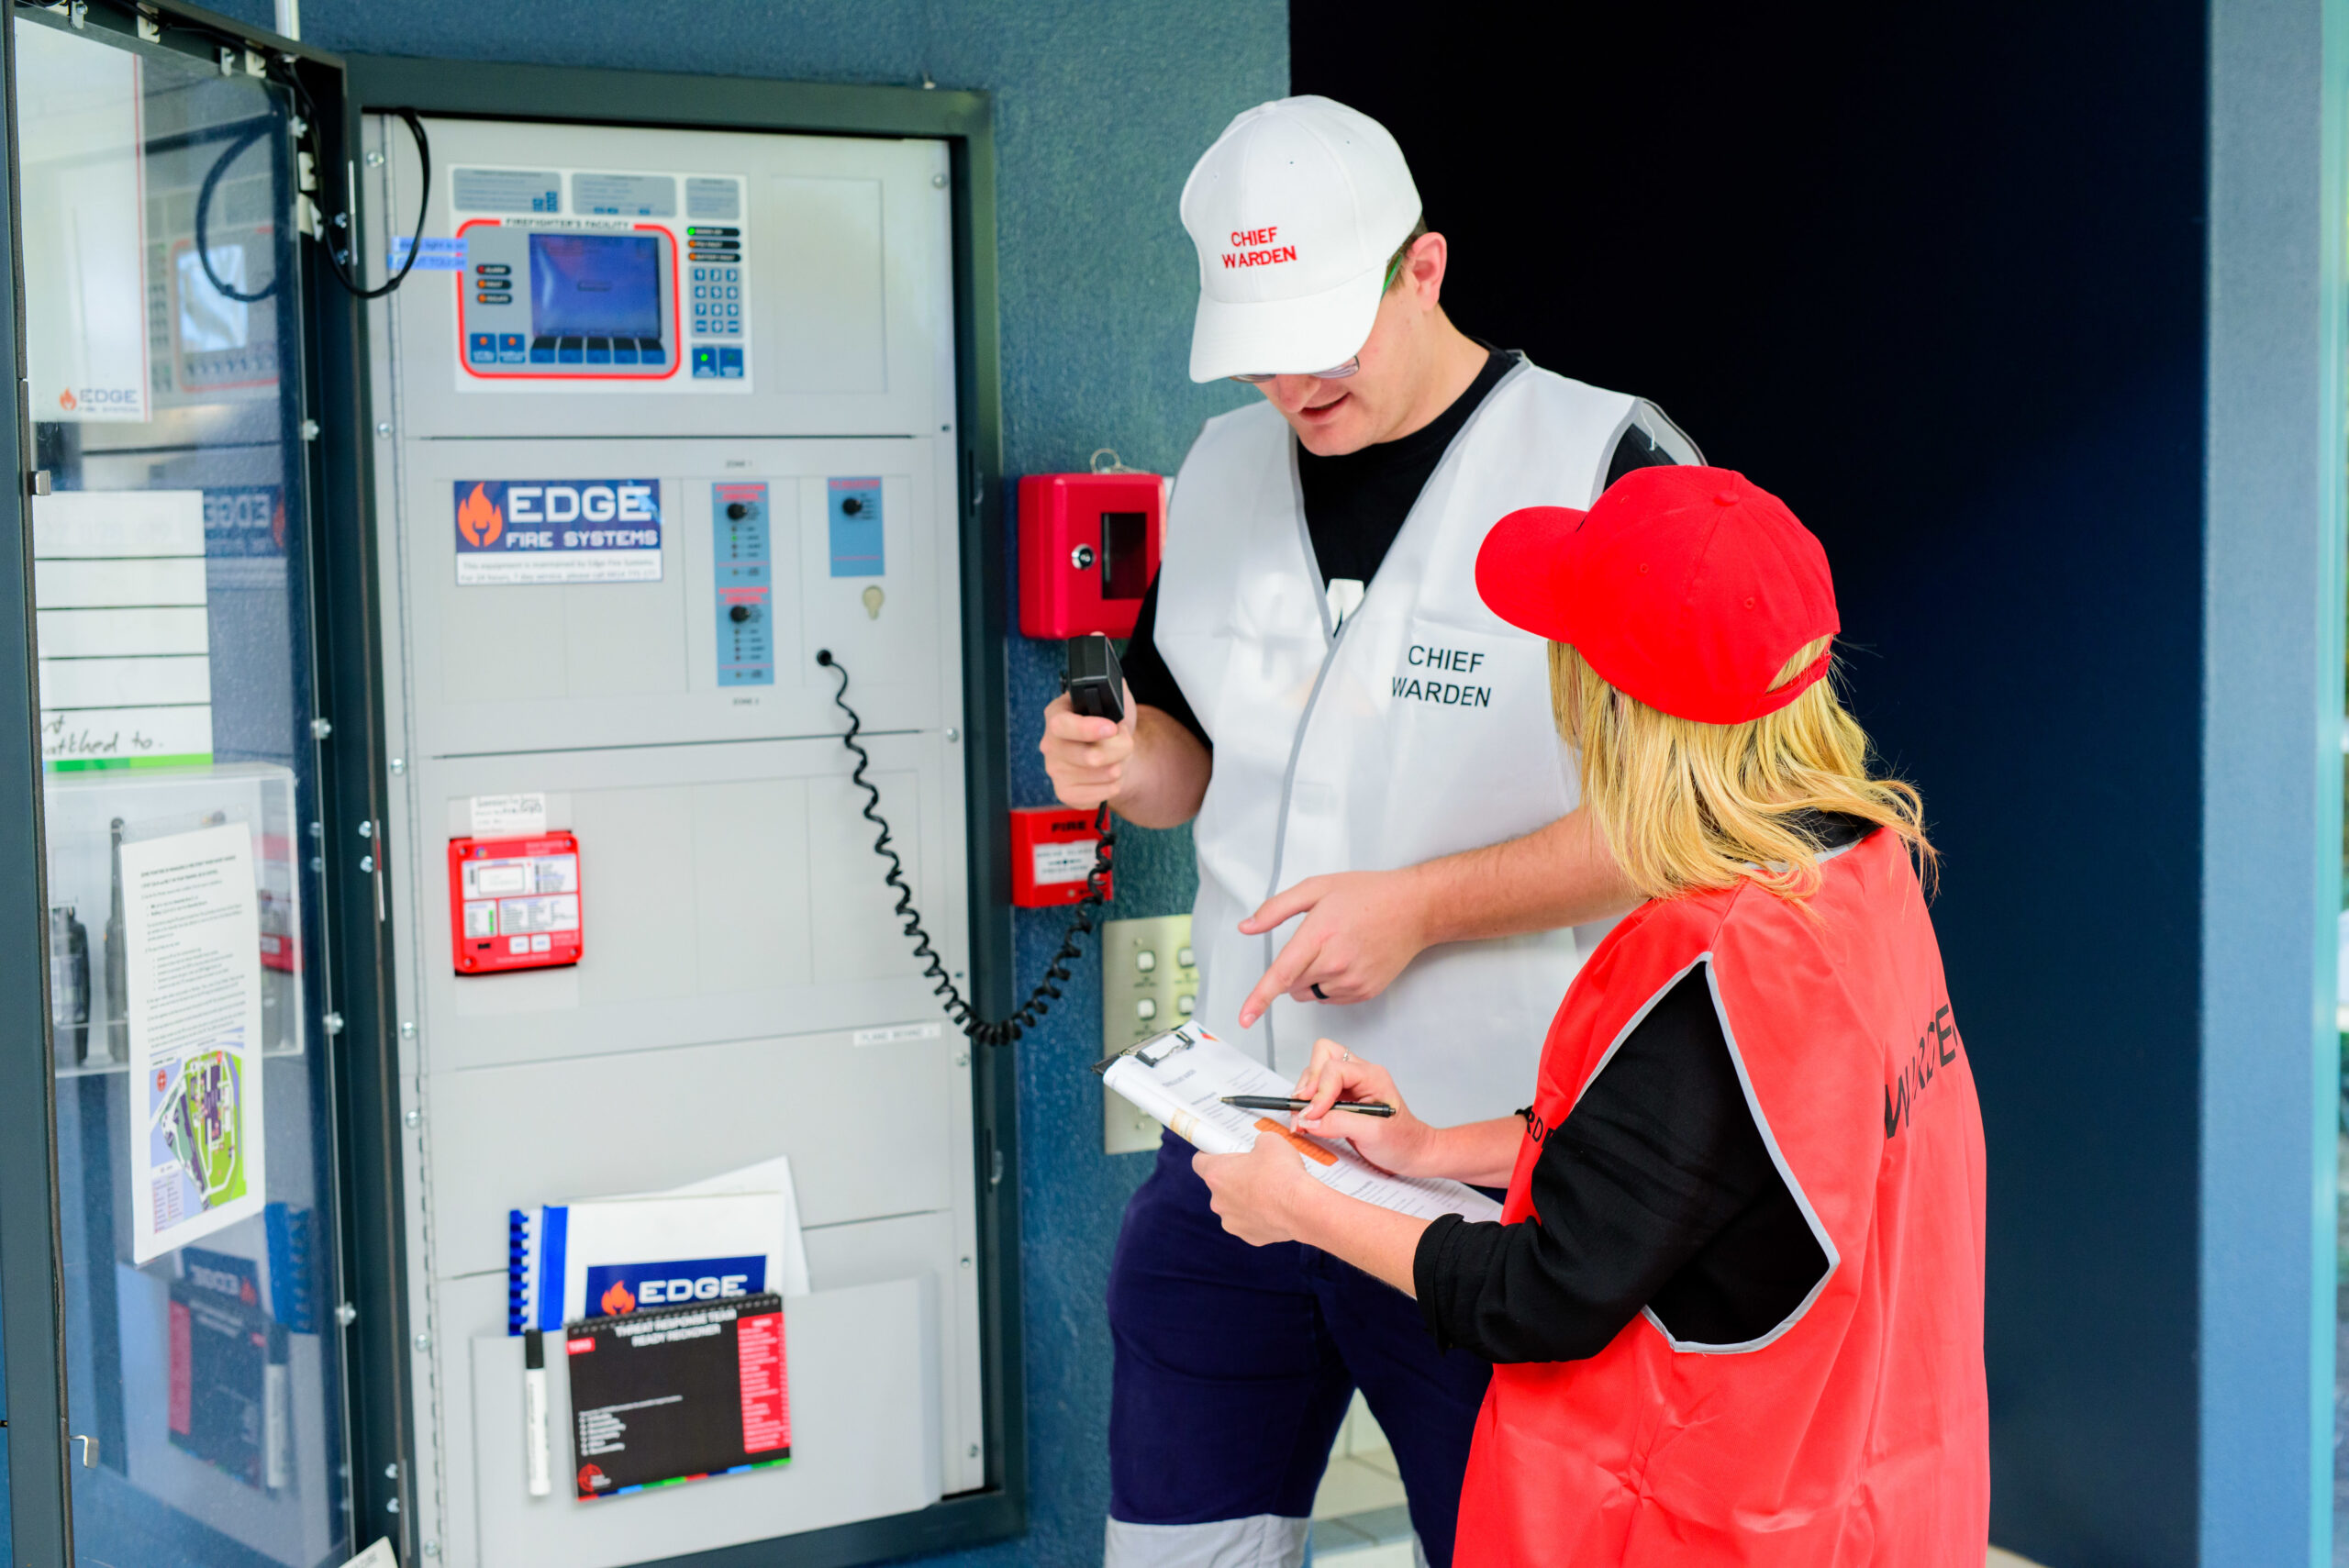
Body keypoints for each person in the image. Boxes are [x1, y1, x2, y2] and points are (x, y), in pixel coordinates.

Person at [1040, 95, 1698, 1568]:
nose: (1292, 380)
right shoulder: (1212, 475)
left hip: (1485, 1173)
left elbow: (1700, 829)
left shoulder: (1606, 466)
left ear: (1424, 270)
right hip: (1230, 1147)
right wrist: (1120, 756)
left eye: (1322, 333)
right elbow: (1191, 775)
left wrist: (1427, 905)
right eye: (1259, 346)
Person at [1194, 463, 1992, 1567]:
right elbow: (1725, 1167)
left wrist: (1300, 1204)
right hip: (1871, 1492)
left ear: (1616, 709)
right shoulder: (1861, 872)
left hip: (1699, 1527)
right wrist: (1433, 1147)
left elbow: (1541, 1296)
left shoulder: (1710, 963)